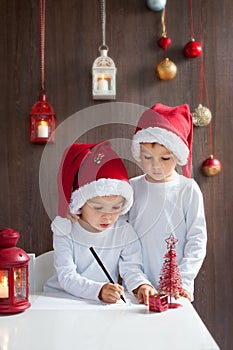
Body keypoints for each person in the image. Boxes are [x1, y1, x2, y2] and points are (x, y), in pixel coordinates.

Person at [44, 140, 155, 304]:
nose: (108, 217)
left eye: (116, 207)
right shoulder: (65, 230)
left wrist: (142, 285)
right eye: (98, 208)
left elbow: (131, 268)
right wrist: (99, 290)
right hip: (61, 300)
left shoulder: (124, 231)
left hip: (97, 304)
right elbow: (67, 276)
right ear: (81, 203)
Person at [129, 103, 207, 302]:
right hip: (138, 291)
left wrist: (183, 281)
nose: (155, 166)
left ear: (178, 156)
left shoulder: (187, 189)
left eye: (164, 158)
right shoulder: (131, 188)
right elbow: (122, 240)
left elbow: (197, 240)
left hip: (177, 290)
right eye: (147, 157)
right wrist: (138, 282)